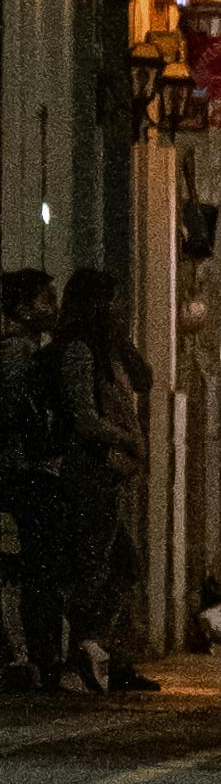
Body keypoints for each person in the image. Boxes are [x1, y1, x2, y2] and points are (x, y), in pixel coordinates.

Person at [48, 266, 159, 694]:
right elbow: (84, 418)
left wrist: (122, 342)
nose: (121, 309)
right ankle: (84, 654)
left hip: (108, 475)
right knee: (96, 566)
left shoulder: (107, 350)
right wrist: (128, 439)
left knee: (119, 565)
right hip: (87, 472)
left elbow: (146, 379)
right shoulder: (77, 351)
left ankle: (98, 650)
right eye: (112, 301)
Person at [0, 268, 62, 694]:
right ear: (22, 308)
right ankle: (32, 656)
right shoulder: (19, 354)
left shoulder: (26, 350)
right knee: (33, 565)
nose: (52, 309)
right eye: (45, 300)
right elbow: (14, 412)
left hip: (23, 468)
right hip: (22, 471)